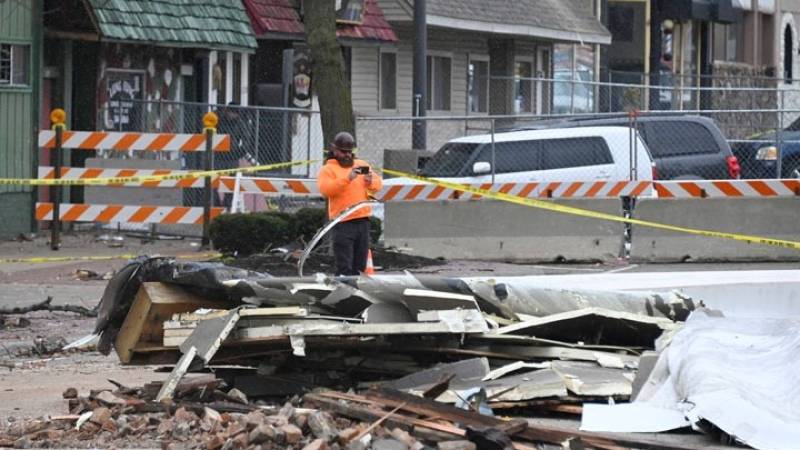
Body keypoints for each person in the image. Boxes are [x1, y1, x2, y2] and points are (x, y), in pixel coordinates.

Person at [317, 131, 382, 276]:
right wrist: (347, 179)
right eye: (343, 152)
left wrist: (371, 181)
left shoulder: (360, 165)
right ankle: (343, 293)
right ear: (334, 150)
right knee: (344, 264)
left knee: (360, 265)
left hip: (362, 221)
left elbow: (378, 184)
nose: (347, 155)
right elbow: (326, 190)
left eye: (349, 152)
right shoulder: (328, 169)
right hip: (342, 222)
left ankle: (357, 293)